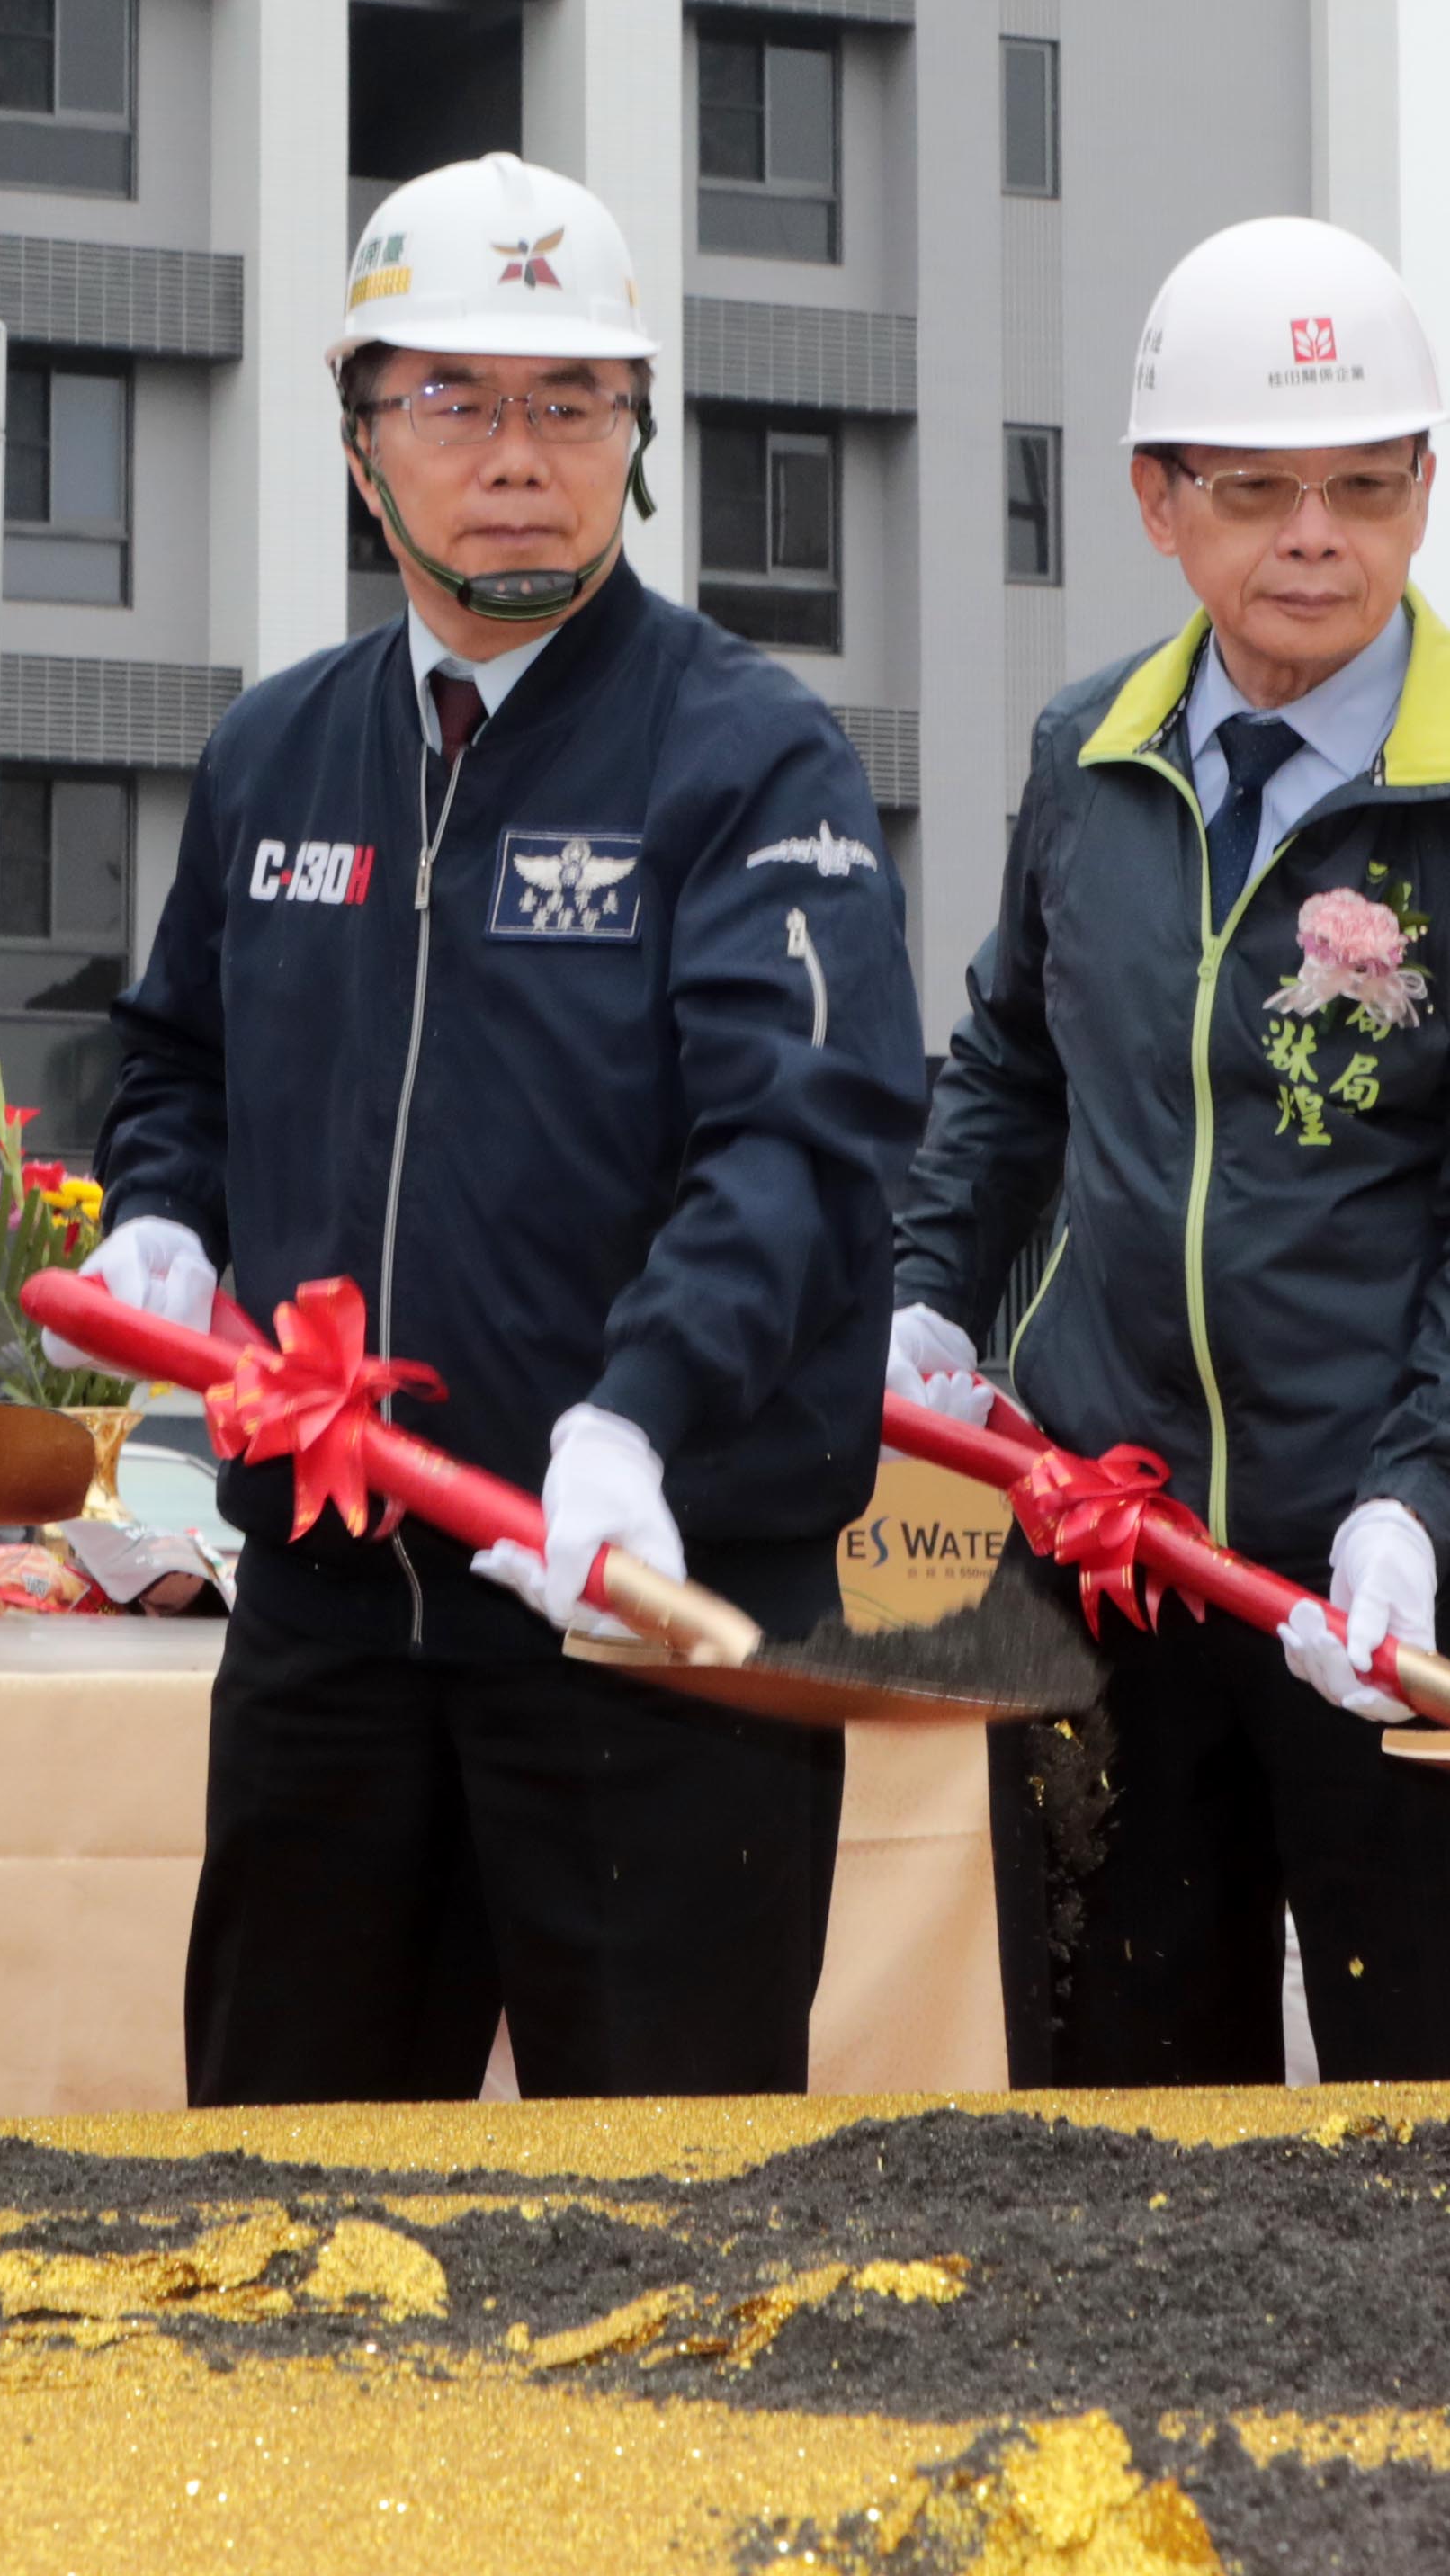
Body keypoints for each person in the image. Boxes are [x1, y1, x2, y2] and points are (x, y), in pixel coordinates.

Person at [71, 154, 925, 2103]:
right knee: (294, 2197)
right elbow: (178, 1055)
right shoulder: (276, 746)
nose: (516, 453)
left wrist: (639, 1412)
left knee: (667, 2218)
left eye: (571, 402)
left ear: (641, 438)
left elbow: (804, 1130)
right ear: (362, 439)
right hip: (329, 1616)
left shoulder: (748, 750)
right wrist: (162, 1212)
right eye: (453, 398)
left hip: (640, 1611)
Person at [889, 217, 1450, 2085]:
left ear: (1423, 489)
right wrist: (925, 1292)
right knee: (1126, 2118)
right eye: (1256, 486)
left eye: (1367, 484)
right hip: (1110, 1557)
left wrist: (1417, 1489)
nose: (1315, 533)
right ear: (1160, 500)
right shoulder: (1089, 759)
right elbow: (1009, 1065)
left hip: (1415, 1569)